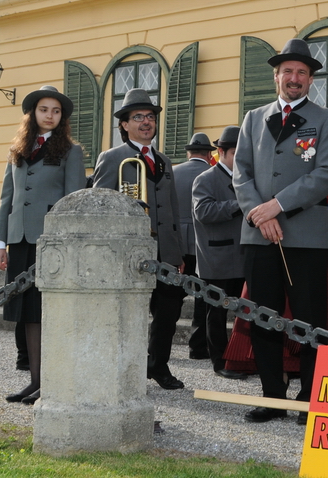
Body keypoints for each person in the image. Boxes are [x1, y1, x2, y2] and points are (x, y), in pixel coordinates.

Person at [234, 38, 328, 422]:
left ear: (310, 79)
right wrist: (259, 215)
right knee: (263, 317)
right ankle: (272, 397)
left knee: (310, 319)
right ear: (276, 77)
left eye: (301, 72)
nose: (293, 78)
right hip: (258, 235)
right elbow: (240, 173)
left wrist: (276, 206)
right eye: (287, 72)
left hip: (305, 236)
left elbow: (325, 175)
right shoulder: (253, 118)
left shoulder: (326, 120)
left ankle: (311, 395)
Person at [0, 86, 86, 404]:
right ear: (33, 113)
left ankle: (53, 383)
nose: (50, 115)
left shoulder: (71, 151)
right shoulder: (17, 150)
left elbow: (73, 201)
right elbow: (7, 199)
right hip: (19, 240)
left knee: (49, 313)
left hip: (51, 242)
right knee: (29, 314)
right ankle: (35, 381)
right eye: (44, 109)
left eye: (56, 111)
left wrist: (67, 242)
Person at [92, 87, 189, 391]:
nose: (146, 122)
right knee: (129, 314)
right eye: (138, 117)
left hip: (166, 253)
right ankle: (124, 369)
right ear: (124, 124)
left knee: (168, 314)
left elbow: (173, 208)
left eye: (150, 117)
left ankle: (158, 365)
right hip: (130, 252)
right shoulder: (112, 158)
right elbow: (100, 205)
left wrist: (178, 252)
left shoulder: (164, 161)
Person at [191, 126, 247, 380]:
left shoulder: (247, 177)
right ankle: (219, 362)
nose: (241, 158)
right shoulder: (205, 178)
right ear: (221, 152)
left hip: (244, 255)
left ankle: (242, 358)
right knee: (216, 313)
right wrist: (239, 205)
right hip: (217, 258)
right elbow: (203, 212)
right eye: (236, 153)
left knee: (247, 312)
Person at [174, 132, 215, 360]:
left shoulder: (173, 172)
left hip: (177, 243)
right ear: (209, 154)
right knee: (203, 299)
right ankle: (198, 347)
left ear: (189, 152)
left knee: (171, 298)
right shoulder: (212, 174)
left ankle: (160, 346)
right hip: (204, 244)